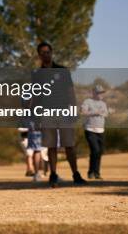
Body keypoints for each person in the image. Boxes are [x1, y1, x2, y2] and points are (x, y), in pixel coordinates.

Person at [32, 42, 87, 188]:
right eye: (42, 52)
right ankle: (53, 175)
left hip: (64, 112)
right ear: (39, 55)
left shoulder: (63, 71)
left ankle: (76, 174)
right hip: (46, 113)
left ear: (52, 52)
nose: (46, 54)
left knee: (69, 145)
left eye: (48, 52)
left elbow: (70, 91)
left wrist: (73, 109)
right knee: (51, 146)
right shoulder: (37, 74)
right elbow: (36, 96)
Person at [81, 84, 109, 179]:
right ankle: (90, 172)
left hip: (100, 130)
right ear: (94, 93)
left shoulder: (103, 103)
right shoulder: (88, 101)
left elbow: (105, 114)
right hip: (90, 129)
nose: (101, 94)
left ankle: (96, 173)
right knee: (95, 150)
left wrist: (102, 113)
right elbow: (83, 112)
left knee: (99, 151)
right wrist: (96, 112)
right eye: (99, 92)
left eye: (102, 93)